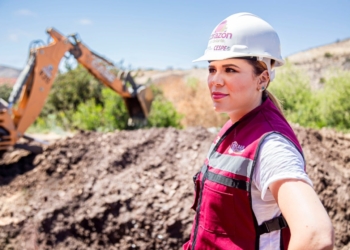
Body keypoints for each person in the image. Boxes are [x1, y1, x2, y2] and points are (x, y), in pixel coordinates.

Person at [183, 13, 334, 250]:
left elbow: (316, 236)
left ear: (262, 78)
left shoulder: (271, 144)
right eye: (212, 69)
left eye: (230, 69)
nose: (216, 80)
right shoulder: (235, 124)